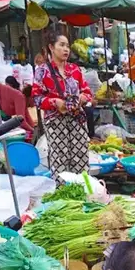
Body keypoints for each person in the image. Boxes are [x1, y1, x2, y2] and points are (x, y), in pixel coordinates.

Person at [32, 33, 93, 178]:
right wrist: (55, 102)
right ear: (51, 47)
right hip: (55, 122)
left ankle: (82, 191)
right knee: (60, 159)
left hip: (76, 120)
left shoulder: (75, 70)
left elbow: (87, 92)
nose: (66, 49)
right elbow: (36, 97)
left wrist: (82, 98)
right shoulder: (42, 71)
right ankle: (63, 193)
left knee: (81, 157)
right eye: (61, 45)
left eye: (67, 46)